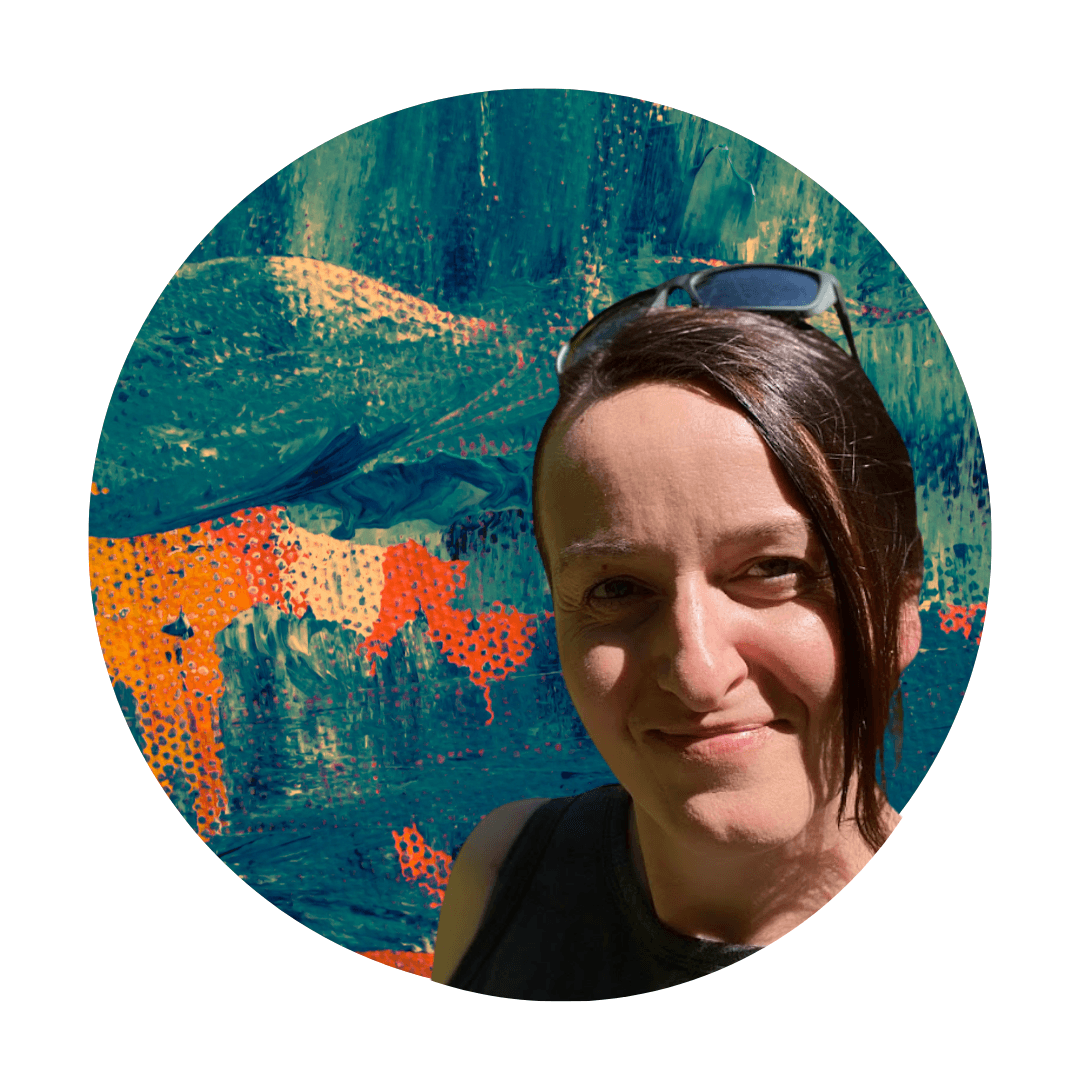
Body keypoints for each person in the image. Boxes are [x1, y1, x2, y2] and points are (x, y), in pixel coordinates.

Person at [430, 264, 925, 1000]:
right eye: (617, 588)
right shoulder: (503, 876)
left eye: (773, 569)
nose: (697, 673)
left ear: (900, 605)